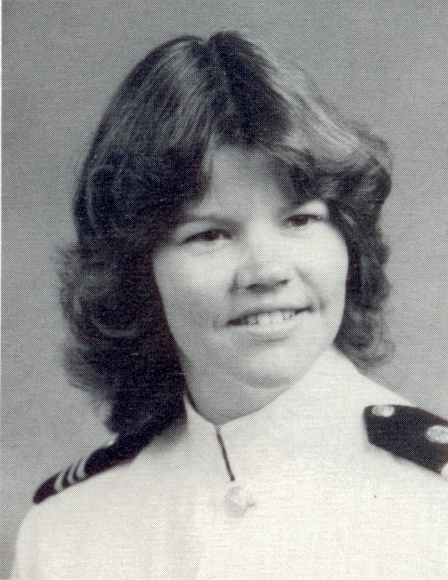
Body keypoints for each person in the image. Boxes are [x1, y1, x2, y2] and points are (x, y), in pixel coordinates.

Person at [12, 31, 447, 579]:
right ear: (136, 271)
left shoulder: (434, 502)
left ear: (349, 242)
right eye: (210, 235)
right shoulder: (66, 533)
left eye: (301, 219)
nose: (267, 271)